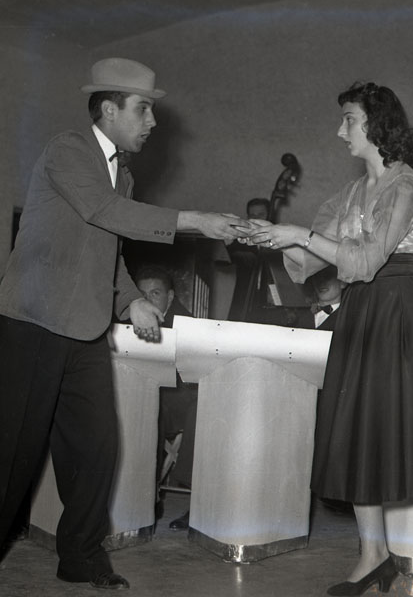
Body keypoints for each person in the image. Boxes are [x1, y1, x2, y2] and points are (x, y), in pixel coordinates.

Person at [0, 57, 250, 590]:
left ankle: (80, 557)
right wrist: (195, 221)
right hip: (34, 323)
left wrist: (132, 300)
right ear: (109, 109)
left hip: (85, 330)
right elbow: (102, 212)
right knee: (13, 454)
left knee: (96, 449)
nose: (152, 122)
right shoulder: (68, 150)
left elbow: (108, 253)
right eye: (143, 109)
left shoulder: (124, 176)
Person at [245, 82, 413, 596]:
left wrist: (299, 235)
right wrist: (264, 236)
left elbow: (367, 260)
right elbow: (309, 258)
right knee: (357, 433)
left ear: (375, 124)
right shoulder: (349, 194)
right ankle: (373, 556)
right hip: (359, 311)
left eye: (348, 119)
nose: (339, 130)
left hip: (398, 309)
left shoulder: (405, 184)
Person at [132, 265, 195, 530]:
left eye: (155, 293)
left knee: (149, 408)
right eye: (142, 294)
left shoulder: (187, 324)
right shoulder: (132, 317)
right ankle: (133, 497)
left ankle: (148, 497)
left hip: (179, 401)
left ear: (169, 297)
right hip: (147, 394)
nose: (147, 300)